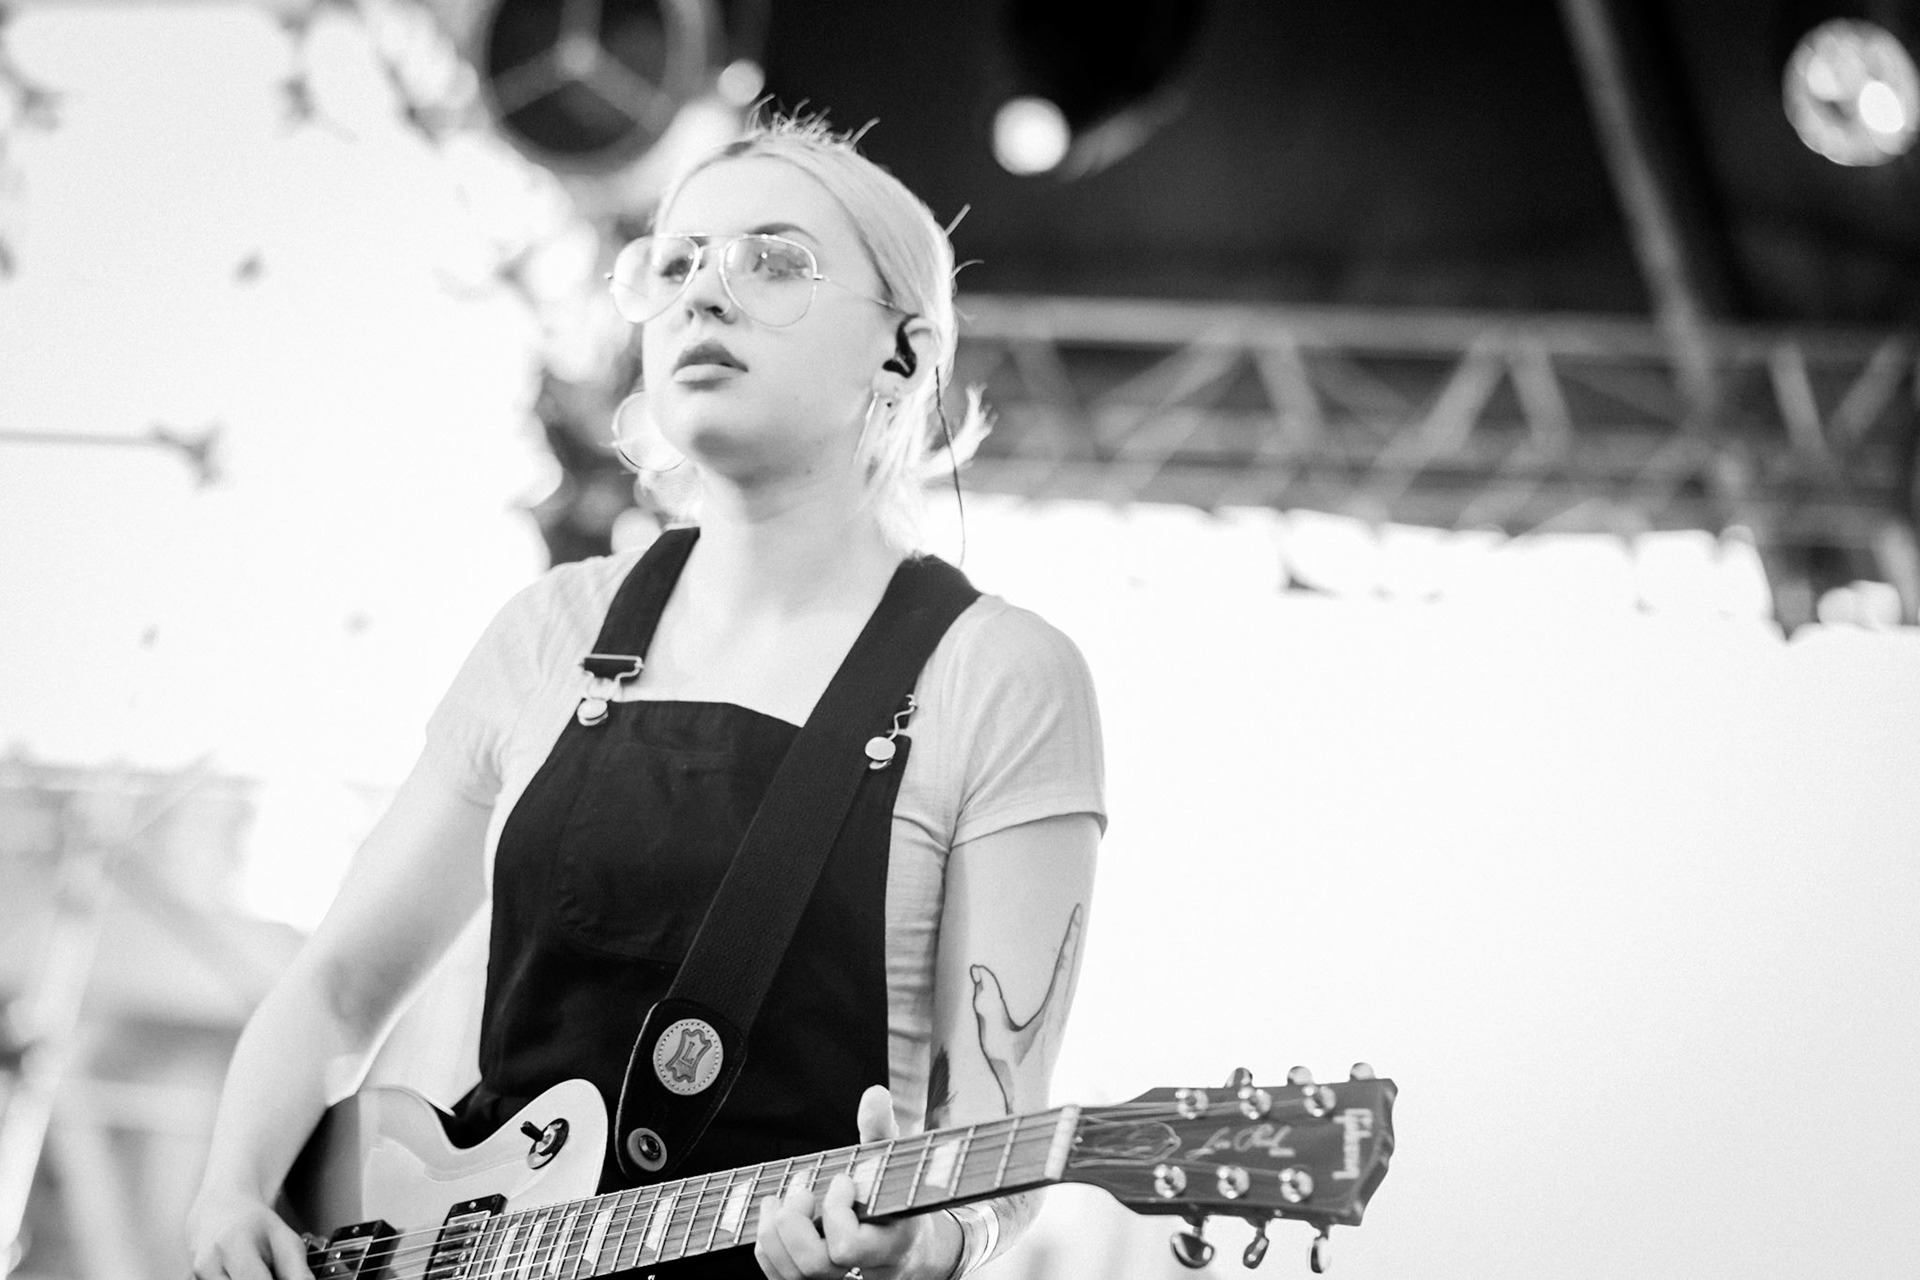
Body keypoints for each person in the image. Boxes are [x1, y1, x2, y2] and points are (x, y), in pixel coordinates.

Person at [185, 113, 1104, 1280]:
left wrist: (927, 1234)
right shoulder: (552, 629)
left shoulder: (1002, 674)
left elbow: (996, 1150)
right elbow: (338, 983)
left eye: (774, 261)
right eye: (674, 263)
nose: (702, 297)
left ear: (904, 353)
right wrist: (229, 1189)